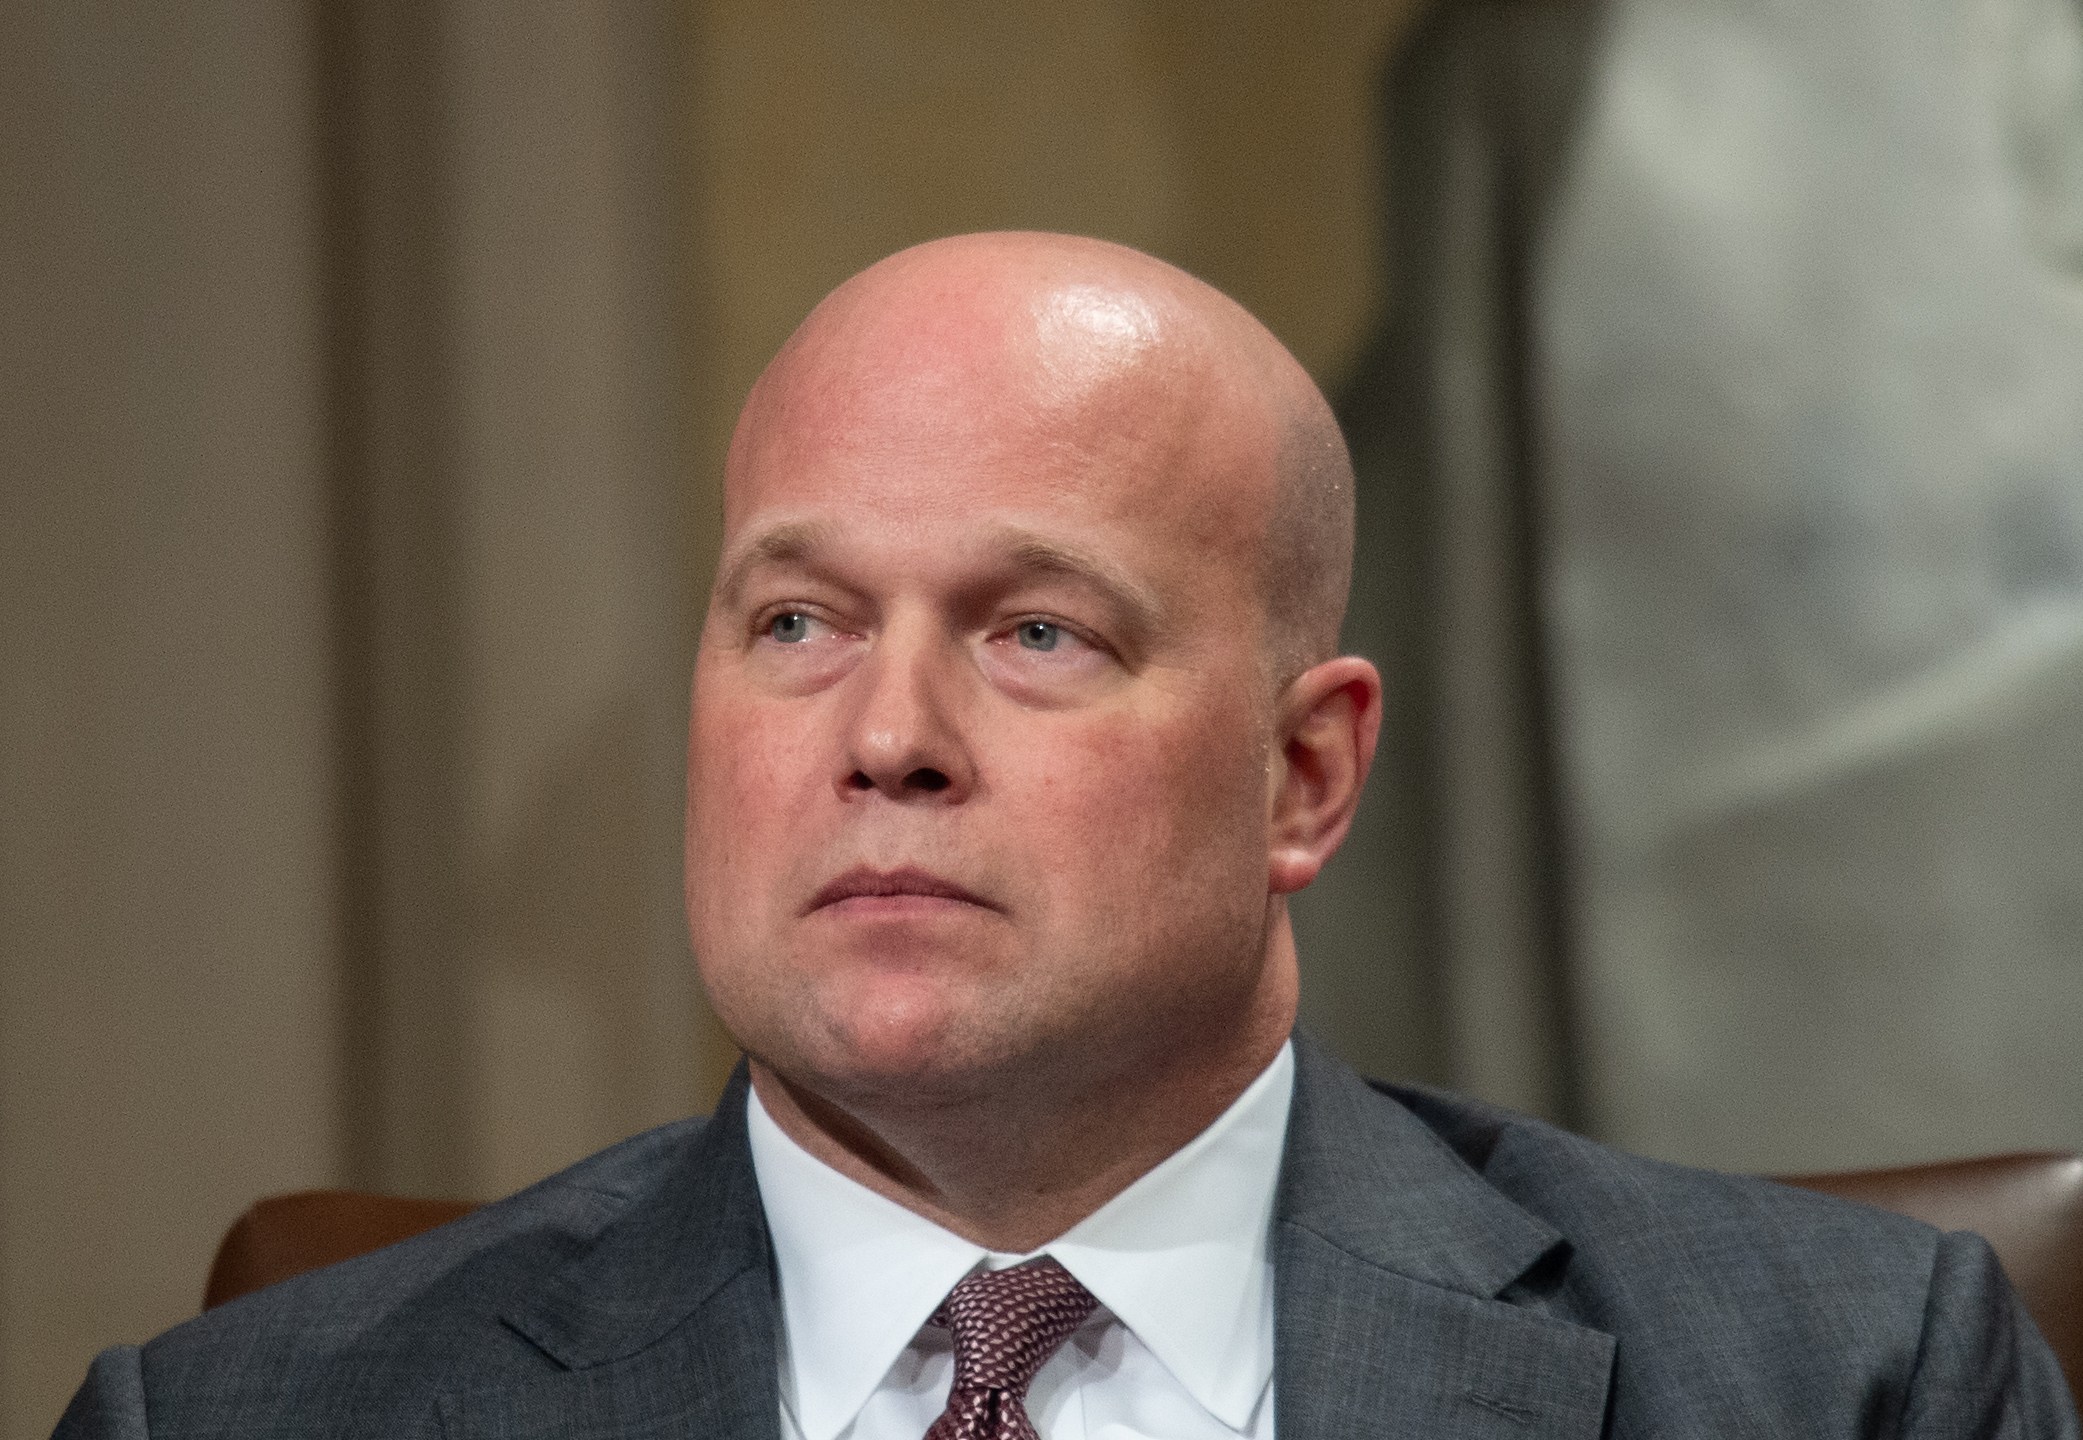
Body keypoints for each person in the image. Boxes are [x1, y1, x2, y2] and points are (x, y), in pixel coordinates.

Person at [55, 233, 2077, 1439]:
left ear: (1303, 778)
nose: (889, 738)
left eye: (1036, 631)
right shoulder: (255, 1421)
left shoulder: (1840, 1386)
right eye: (796, 622)